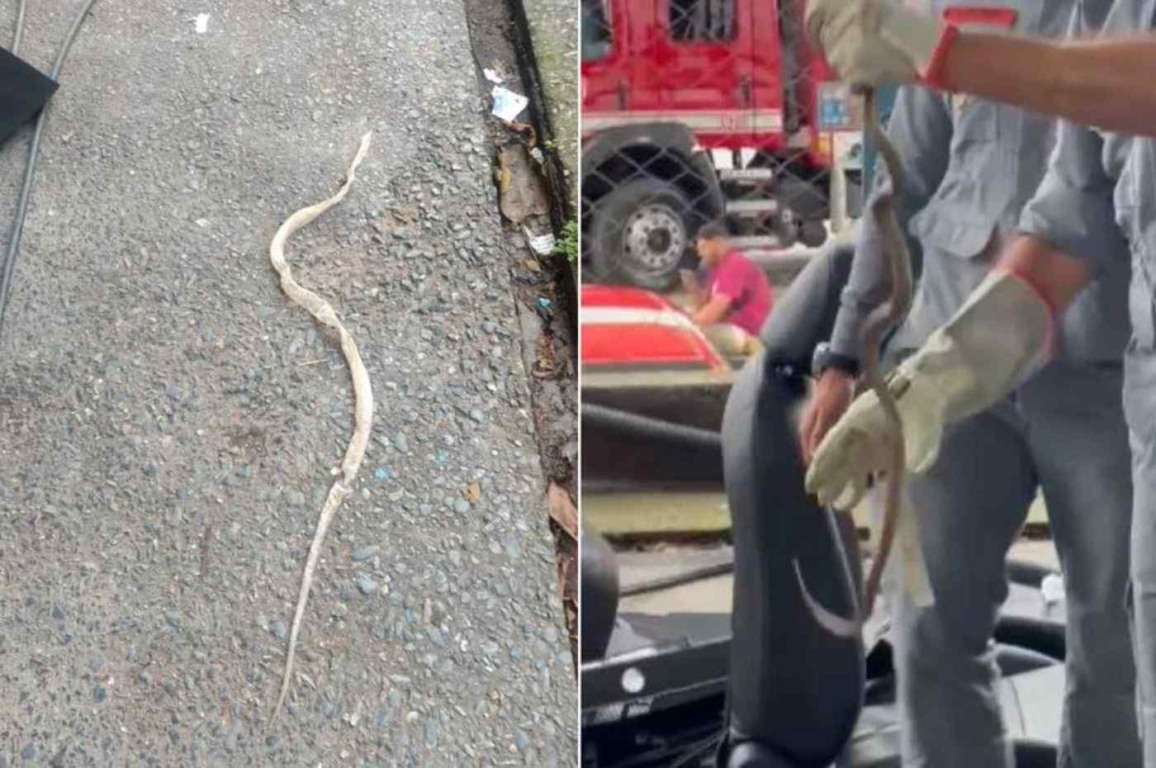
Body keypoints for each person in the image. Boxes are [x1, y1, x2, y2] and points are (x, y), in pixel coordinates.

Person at [804, 0, 1156, 762]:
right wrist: (855, 358)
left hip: (1098, 377)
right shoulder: (957, 6)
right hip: (956, 355)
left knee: (1115, 641)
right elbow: (908, 193)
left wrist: (945, 52)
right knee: (927, 621)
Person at [683, 222, 774, 355]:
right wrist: (693, 291)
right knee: (686, 314)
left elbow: (712, 313)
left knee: (693, 334)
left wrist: (684, 326)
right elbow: (704, 308)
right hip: (731, 324)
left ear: (718, 243)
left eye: (703, 247)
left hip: (746, 330)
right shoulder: (716, 269)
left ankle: (752, 346)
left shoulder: (734, 265)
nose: (700, 253)